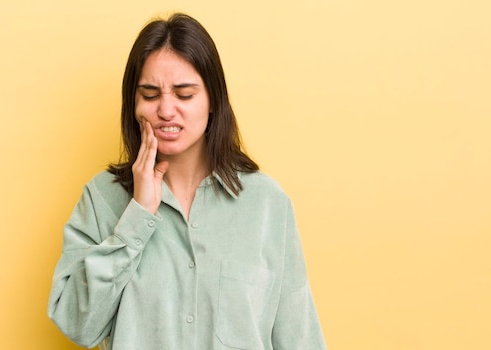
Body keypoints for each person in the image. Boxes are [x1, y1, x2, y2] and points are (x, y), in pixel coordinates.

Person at [47, 13, 326, 350]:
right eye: (150, 95)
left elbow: (300, 338)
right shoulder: (102, 198)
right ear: (133, 105)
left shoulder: (267, 203)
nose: (166, 110)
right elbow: (77, 325)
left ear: (212, 102)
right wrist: (137, 215)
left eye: (184, 94)